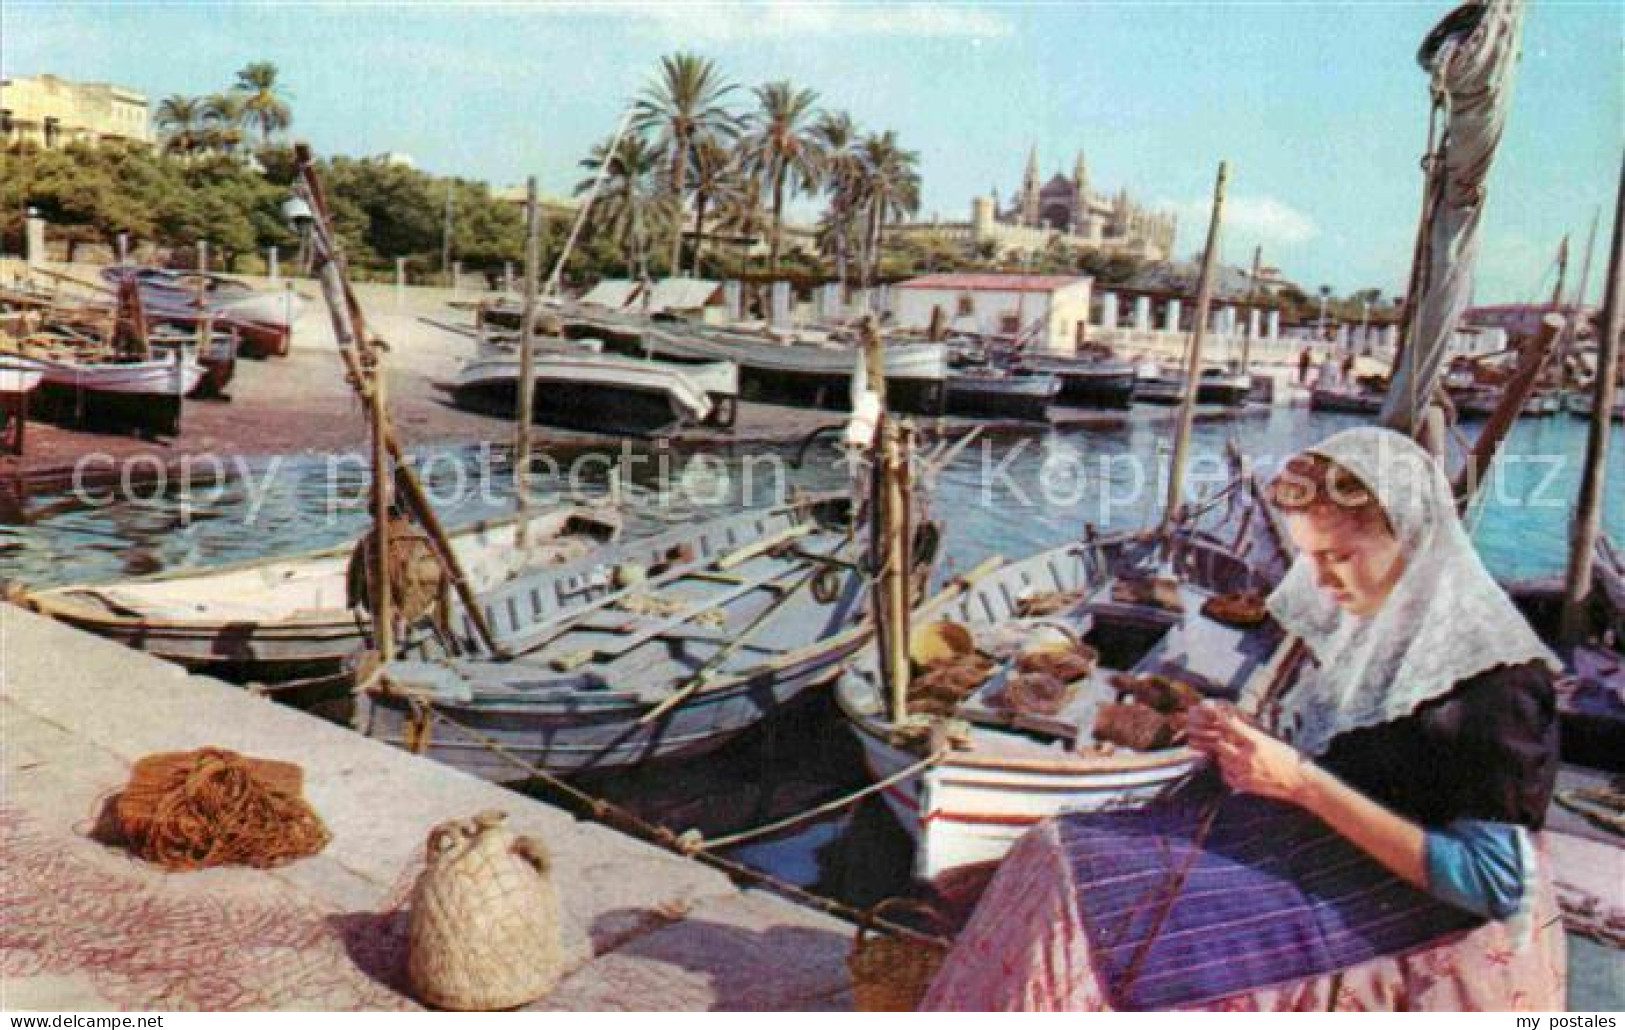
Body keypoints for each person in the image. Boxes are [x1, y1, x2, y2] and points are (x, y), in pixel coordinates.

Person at [922, 427, 1566, 1011]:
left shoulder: (1498, 684)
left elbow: (1493, 884)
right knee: (1053, 849)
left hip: (1423, 899)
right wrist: (1249, 738)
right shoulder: (1381, 636)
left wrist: (1299, 782)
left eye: (1340, 556)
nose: (1323, 580)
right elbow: (1369, 758)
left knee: (1080, 901)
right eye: (1313, 558)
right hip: (1338, 840)